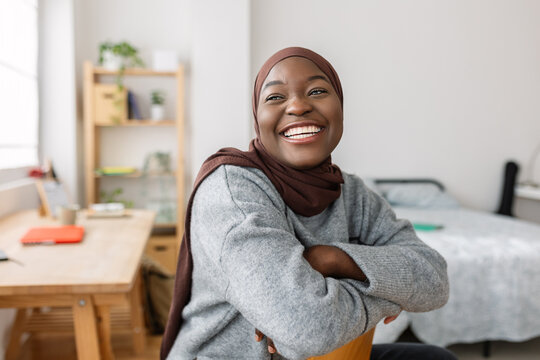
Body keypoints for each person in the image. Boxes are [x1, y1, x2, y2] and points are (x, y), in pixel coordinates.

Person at [161, 47, 456, 360]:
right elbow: (307, 329)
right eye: (275, 97)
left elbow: (434, 280)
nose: (299, 106)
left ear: (340, 108)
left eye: (317, 91)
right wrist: (392, 293)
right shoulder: (231, 190)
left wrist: (333, 259)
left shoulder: (351, 193)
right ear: (257, 119)